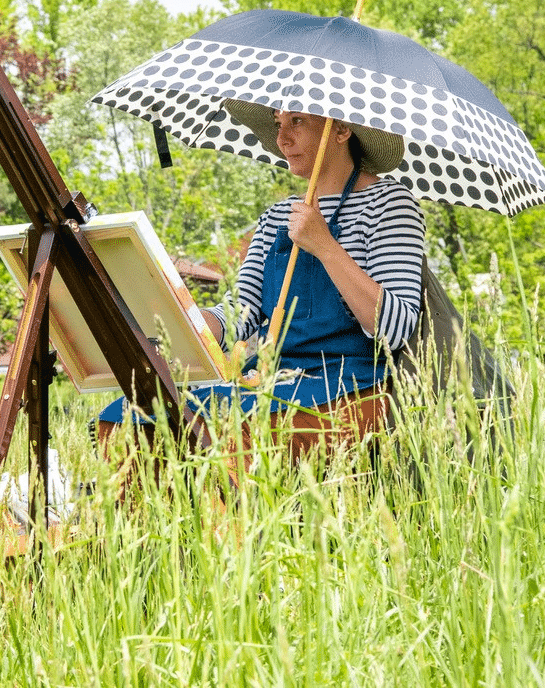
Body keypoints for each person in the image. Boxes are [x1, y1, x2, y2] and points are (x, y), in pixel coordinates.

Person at [96, 101, 425, 467]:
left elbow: (395, 328)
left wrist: (326, 247)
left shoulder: (390, 205)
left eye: (297, 122)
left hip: (356, 387)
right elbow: (242, 309)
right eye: (277, 122)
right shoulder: (277, 216)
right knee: (129, 417)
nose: (282, 138)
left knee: (227, 428)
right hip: (276, 381)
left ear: (341, 129)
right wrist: (188, 325)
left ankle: (234, 524)